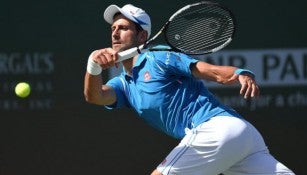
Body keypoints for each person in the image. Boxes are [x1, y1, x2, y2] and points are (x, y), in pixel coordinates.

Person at [84, 4, 295, 175]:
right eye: (113, 29)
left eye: (123, 28)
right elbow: (95, 96)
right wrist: (93, 66)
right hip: (243, 137)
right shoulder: (124, 84)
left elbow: (211, 72)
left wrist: (240, 73)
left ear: (142, 37)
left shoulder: (158, 57)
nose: (115, 33)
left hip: (216, 129)